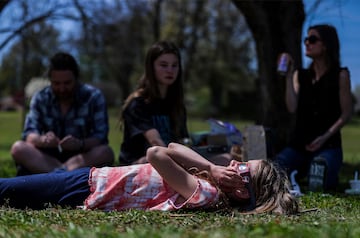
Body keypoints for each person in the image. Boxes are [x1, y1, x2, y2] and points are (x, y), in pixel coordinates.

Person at [0, 143, 299, 215]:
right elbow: (172, 147)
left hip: (87, 189)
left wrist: (210, 169)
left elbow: (156, 153)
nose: (234, 162)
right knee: (19, 188)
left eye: (243, 168)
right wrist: (213, 166)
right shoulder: (209, 180)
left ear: (242, 193)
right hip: (91, 179)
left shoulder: (205, 193)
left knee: (8, 190)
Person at [274, 24, 353, 191]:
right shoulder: (300, 75)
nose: (307, 43)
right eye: (306, 39)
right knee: (274, 168)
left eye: (312, 39)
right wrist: (288, 76)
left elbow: (346, 113)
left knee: (320, 170)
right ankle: (302, 173)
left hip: (328, 145)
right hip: (298, 146)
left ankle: (318, 174)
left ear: (325, 45)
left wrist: (324, 137)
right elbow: (291, 107)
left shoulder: (341, 75)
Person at [10, 52, 115, 175]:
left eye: (67, 83)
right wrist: (43, 140)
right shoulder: (40, 98)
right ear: (50, 80)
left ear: (76, 78)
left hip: (82, 156)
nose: (62, 89)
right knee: (18, 148)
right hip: (46, 157)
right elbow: (29, 135)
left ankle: (55, 176)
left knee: (106, 152)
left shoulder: (94, 97)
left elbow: (100, 138)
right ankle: (64, 176)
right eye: (56, 84)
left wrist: (79, 144)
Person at [119, 41, 189, 165]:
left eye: (174, 65)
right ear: (151, 68)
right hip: (140, 163)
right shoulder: (138, 104)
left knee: (223, 158)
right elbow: (156, 143)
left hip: (172, 161)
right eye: (163, 65)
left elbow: (182, 141)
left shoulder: (177, 105)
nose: (170, 70)